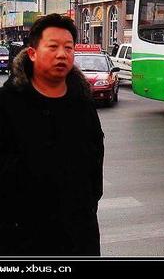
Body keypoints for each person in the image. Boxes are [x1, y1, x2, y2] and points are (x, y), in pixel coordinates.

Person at [0, 13, 104, 256]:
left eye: (68, 48)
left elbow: (94, 163)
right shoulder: (7, 103)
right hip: (20, 238)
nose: (62, 54)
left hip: (79, 235)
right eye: (53, 47)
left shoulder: (82, 103)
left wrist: (86, 206)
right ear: (32, 53)